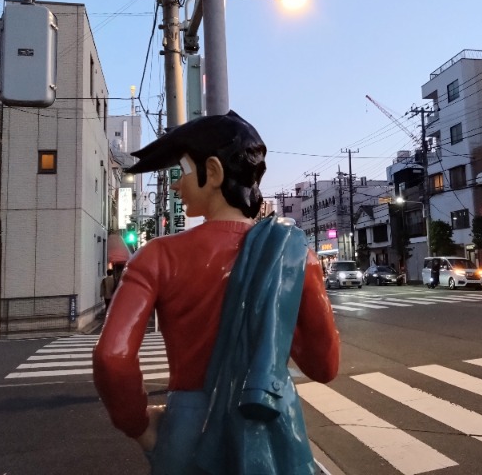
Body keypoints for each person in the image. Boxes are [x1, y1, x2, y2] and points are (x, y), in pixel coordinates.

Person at [92, 111, 340, 475]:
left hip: (189, 428)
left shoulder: (158, 256)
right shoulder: (295, 255)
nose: (176, 185)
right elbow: (324, 367)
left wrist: (140, 426)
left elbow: (112, 356)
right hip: (269, 423)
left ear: (214, 172)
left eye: (182, 172)